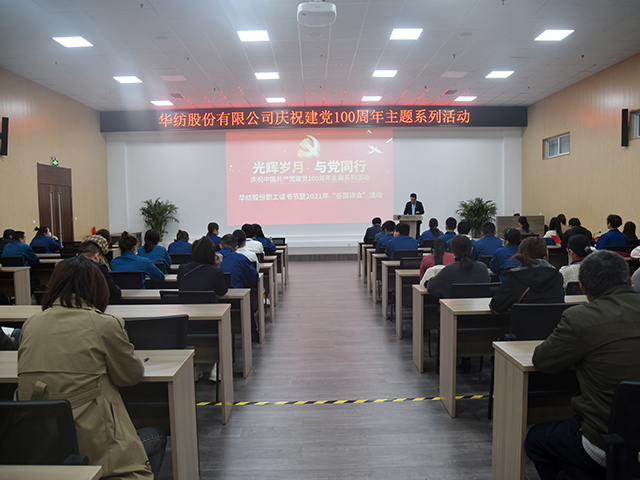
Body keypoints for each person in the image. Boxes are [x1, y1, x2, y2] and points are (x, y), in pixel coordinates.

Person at [17, 256, 166, 479]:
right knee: (157, 436)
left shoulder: (31, 324)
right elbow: (130, 376)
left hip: (40, 449)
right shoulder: (104, 324)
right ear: (98, 288)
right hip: (94, 451)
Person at [525, 250, 640, 480]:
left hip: (609, 442)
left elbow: (543, 361)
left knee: (536, 439)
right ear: (629, 281)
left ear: (583, 288)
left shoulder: (580, 318)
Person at [489, 236, 564, 314]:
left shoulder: (514, 277)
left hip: (522, 321)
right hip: (553, 321)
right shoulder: (557, 276)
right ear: (545, 253)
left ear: (520, 253)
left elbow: (495, 307)